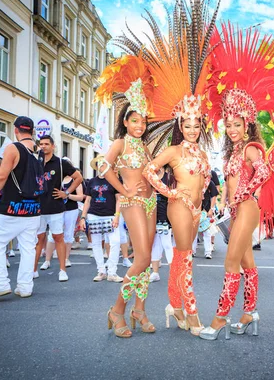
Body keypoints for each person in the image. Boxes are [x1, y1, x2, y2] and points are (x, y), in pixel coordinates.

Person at [96, 55, 157, 338]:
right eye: (135, 121)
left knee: (146, 259)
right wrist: (124, 190)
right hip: (132, 203)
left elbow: (151, 173)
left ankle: (140, 309)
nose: (139, 125)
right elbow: (102, 167)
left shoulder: (145, 147)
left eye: (143, 121)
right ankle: (117, 310)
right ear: (126, 120)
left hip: (151, 203)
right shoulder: (119, 143)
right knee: (142, 258)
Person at [144, 96, 212, 337]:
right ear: (180, 127)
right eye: (187, 125)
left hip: (195, 210)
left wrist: (202, 205)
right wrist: (169, 191)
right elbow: (149, 171)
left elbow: (204, 182)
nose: (192, 130)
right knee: (186, 261)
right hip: (179, 206)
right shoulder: (173, 151)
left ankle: (174, 307)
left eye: (196, 125)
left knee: (182, 258)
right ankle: (192, 313)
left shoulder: (203, 154)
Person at [0, 116, 42, 300]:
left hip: (12, 207)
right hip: (34, 208)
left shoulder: (13, 148)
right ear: (32, 130)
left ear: (16, 130)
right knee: (28, 247)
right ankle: (25, 287)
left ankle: (0, 284)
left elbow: (1, 177)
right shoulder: (38, 151)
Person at [32, 135, 82, 282]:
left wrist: (66, 193)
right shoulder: (36, 162)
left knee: (58, 238)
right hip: (38, 207)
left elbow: (78, 177)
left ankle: (62, 270)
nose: (43, 146)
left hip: (55, 207)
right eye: (41, 144)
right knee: (38, 239)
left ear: (53, 146)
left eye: (47, 144)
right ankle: (33, 270)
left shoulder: (61, 163)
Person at [80, 155, 125, 283]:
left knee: (115, 242)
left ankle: (112, 272)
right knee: (96, 243)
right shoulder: (92, 182)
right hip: (94, 215)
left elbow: (118, 199)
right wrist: (83, 217)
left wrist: (117, 216)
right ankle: (101, 271)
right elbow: (88, 200)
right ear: (97, 166)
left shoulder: (114, 180)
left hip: (111, 215)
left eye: (103, 163)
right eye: (99, 163)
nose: (101, 165)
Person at [41, 162, 85, 270]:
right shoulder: (56, 178)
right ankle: (47, 260)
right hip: (56, 209)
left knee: (68, 233)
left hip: (71, 209)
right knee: (52, 234)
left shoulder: (75, 180)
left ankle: (66, 259)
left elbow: (80, 197)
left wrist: (67, 194)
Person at [149, 171, 174, 282]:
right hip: (151, 215)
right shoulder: (149, 177)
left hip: (165, 215)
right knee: (155, 245)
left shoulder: (169, 177)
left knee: (167, 244)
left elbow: (174, 195)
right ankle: (155, 273)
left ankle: (174, 273)